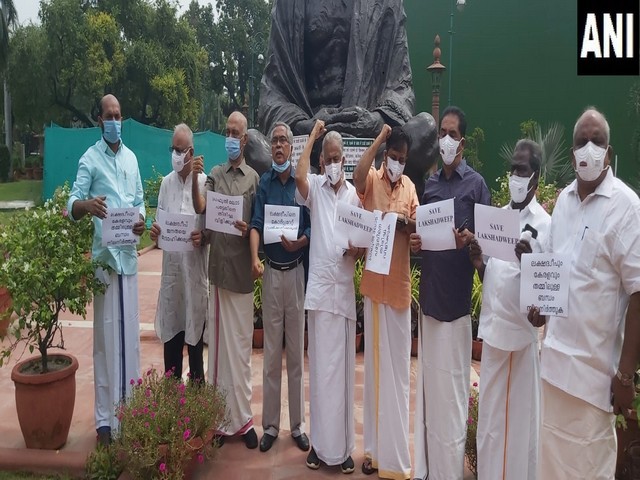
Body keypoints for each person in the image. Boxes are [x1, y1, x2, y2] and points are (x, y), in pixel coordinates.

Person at [528, 108, 640, 479]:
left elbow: (638, 293)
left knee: (589, 470)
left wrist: (625, 378)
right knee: (550, 468)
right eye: (581, 142)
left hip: (594, 383)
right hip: (554, 371)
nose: (588, 149)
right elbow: (555, 270)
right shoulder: (562, 202)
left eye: (597, 141)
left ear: (608, 152)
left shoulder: (627, 208)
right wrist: (540, 308)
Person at [256, 0, 438, 193]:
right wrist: (305, 125)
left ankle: (362, 180)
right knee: (253, 143)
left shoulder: (387, 2)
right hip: (309, 142)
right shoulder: (289, 4)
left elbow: (402, 88)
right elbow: (272, 90)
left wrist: (377, 120)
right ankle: (318, 180)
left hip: (367, 145)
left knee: (427, 127)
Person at [409, 106, 491, 480]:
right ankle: (427, 470)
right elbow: (425, 239)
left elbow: (488, 250)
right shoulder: (430, 186)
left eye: (452, 133)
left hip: (457, 307)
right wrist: (415, 242)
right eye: (442, 131)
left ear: (463, 141)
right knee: (429, 393)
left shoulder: (476, 186)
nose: (444, 138)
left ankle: (449, 473)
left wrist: (473, 240)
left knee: (453, 397)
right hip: (429, 301)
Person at [468, 139, 550, 480]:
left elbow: (548, 290)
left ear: (535, 177)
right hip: (493, 335)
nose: (515, 175)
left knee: (517, 428)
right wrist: (478, 263)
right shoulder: (498, 218)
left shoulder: (545, 225)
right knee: (490, 424)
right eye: (512, 168)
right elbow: (495, 278)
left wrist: (529, 261)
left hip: (520, 338)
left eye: (522, 169)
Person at [67, 94, 145, 446]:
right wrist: (87, 205)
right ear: (99, 119)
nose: (114, 120)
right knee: (105, 339)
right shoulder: (90, 159)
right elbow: (72, 203)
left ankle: (131, 411)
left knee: (129, 336)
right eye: (108, 115)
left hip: (128, 258)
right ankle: (105, 421)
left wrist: (142, 220)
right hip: (104, 260)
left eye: (118, 114)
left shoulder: (131, 158)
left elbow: (140, 200)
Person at [295, 120, 361, 474]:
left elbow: (363, 243)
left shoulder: (354, 196)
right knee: (320, 374)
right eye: (328, 158)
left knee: (344, 375)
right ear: (322, 162)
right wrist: (313, 139)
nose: (333, 164)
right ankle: (319, 448)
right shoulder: (316, 189)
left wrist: (358, 250)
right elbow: (299, 174)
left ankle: (344, 449)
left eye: (338, 158)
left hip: (343, 295)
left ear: (344, 161)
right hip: (320, 295)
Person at [352, 124, 418, 479]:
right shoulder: (374, 181)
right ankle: (374, 451)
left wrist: (405, 222)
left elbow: (418, 227)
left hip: (399, 290)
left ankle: (397, 455)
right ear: (386, 155)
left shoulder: (409, 188)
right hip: (374, 291)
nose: (397, 165)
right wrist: (378, 139)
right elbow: (357, 176)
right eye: (394, 157)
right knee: (376, 374)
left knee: (399, 377)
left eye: (402, 160)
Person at [191, 111, 260, 448]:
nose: (231, 137)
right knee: (218, 352)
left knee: (241, 350)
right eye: (228, 131)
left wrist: (250, 231)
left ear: (245, 140)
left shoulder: (254, 179)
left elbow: (257, 223)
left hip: (242, 273)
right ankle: (219, 422)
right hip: (219, 272)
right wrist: (193, 177)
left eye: (237, 132)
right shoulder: (215, 174)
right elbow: (202, 205)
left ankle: (244, 421)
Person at [249, 121, 311, 453]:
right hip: (272, 273)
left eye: (284, 140)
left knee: (296, 357)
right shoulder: (264, 184)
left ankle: (297, 426)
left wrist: (300, 242)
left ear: (292, 148)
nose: (278, 145)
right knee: (271, 354)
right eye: (274, 140)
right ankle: (270, 425)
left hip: (296, 271)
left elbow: (312, 227)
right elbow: (256, 223)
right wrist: (254, 258)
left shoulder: (301, 185)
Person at [149, 124, 208, 382]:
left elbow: (211, 230)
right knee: (171, 342)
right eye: (173, 148)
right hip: (172, 276)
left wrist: (203, 237)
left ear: (191, 152)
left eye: (180, 149)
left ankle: (197, 408)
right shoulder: (165, 184)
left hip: (194, 275)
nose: (175, 153)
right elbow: (159, 225)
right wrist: (155, 233)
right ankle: (172, 405)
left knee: (195, 347)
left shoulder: (205, 183)